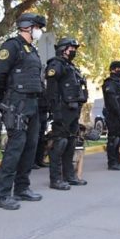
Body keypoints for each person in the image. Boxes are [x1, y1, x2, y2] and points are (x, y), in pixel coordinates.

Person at [0, 13, 46, 210]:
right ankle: (3, 194)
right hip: (17, 103)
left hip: (32, 103)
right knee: (15, 148)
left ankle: (22, 188)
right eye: (37, 27)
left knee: (30, 147)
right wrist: (7, 98)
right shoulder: (11, 46)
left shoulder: (32, 50)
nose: (39, 31)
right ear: (27, 27)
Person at [45, 37, 89, 189]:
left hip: (73, 110)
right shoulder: (55, 64)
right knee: (59, 143)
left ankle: (69, 176)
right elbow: (52, 90)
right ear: (63, 49)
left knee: (71, 143)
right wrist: (55, 111)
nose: (74, 51)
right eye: (72, 48)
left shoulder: (70, 66)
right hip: (62, 110)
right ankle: (55, 179)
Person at [102, 61, 120, 170]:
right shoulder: (109, 83)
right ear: (113, 69)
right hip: (113, 115)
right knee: (113, 139)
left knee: (119, 139)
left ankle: (117, 161)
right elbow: (112, 101)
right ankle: (112, 163)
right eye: (119, 69)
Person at [34, 83, 50, 169]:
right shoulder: (35, 81)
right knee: (34, 138)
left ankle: (39, 160)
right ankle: (32, 161)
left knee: (41, 138)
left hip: (43, 111)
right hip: (36, 111)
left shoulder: (42, 83)